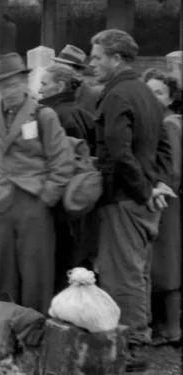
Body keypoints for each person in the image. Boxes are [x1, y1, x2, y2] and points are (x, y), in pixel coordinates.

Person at [90, 29, 177, 370]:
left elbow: (118, 152)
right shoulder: (146, 93)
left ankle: (133, 348)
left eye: (97, 57)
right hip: (144, 199)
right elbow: (164, 148)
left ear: (115, 59)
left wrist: (145, 190)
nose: (91, 63)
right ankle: (138, 341)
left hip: (124, 199)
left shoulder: (116, 96)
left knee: (122, 275)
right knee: (138, 272)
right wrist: (158, 187)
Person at [0, 53, 74, 314]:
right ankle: (4, 323)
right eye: (5, 86)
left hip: (33, 202)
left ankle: (34, 326)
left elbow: (62, 160)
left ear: (26, 83)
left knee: (35, 268)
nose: (11, 90)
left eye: (16, 84)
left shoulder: (44, 115)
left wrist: (47, 197)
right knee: (2, 266)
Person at [38, 63, 99, 286]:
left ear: (60, 85)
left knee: (64, 265)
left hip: (64, 204)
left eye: (44, 84)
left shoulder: (56, 116)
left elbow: (63, 162)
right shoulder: (82, 113)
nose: (40, 90)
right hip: (81, 202)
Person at [142, 68, 181, 348]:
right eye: (149, 91)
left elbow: (174, 170)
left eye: (159, 92)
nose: (153, 97)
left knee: (166, 266)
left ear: (169, 99)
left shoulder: (168, 125)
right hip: (162, 199)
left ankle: (171, 329)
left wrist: (157, 189)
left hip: (165, 202)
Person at [52, 44, 102, 114]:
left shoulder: (91, 96)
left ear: (79, 73)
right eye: (57, 66)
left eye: (63, 68)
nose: (58, 72)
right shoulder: (56, 90)